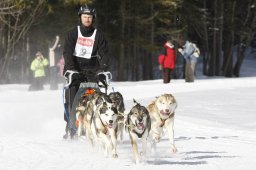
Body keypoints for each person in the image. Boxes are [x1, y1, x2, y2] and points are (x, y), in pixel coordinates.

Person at [62, 4, 109, 139]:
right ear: (80, 17)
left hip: (92, 70)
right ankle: (71, 127)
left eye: (89, 17)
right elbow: (67, 52)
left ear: (93, 19)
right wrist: (71, 69)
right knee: (72, 97)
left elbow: (104, 54)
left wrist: (102, 69)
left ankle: (98, 125)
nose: (87, 19)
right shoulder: (72, 33)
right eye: (85, 16)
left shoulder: (98, 35)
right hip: (75, 69)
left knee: (98, 97)